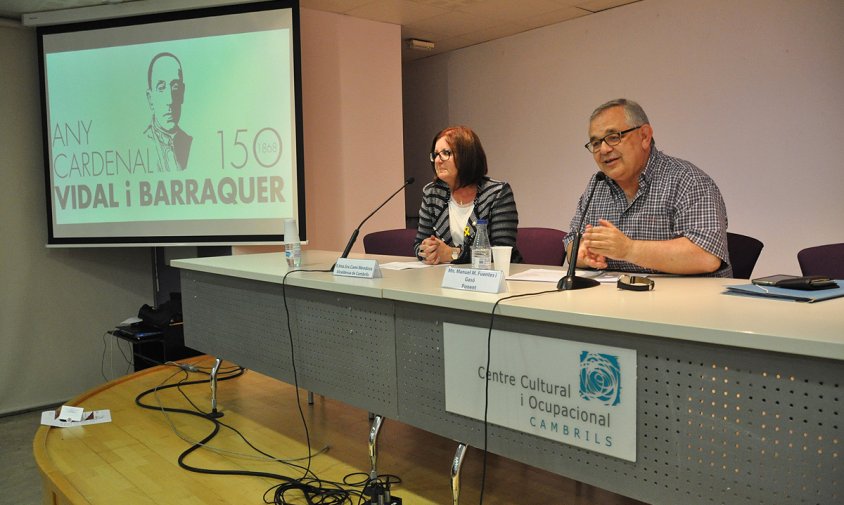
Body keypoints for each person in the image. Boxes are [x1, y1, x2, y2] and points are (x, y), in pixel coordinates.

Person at [565, 98, 731, 277]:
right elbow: (571, 242)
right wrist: (582, 253)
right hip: (617, 300)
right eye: (596, 143)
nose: (603, 149)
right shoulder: (597, 185)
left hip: (684, 301)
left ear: (644, 136)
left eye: (613, 137)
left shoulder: (688, 180)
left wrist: (629, 249)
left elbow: (707, 256)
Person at [415, 126, 522, 265]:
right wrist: (427, 251)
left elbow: (500, 252)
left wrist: (453, 254)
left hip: (495, 279)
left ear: (466, 156)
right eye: (435, 154)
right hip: (445, 277)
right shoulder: (432, 194)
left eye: (445, 153)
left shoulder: (497, 193)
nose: (437, 160)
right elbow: (419, 243)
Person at [144, 52, 192, 171]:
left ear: (182, 93)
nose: (170, 100)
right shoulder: (141, 143)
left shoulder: (192, 144)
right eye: (161, 88)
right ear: (150, 99)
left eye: (175, 87)